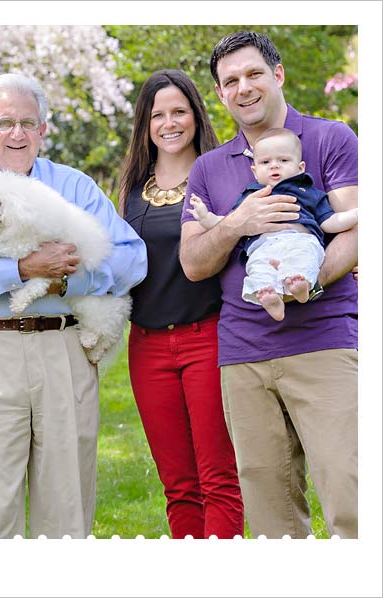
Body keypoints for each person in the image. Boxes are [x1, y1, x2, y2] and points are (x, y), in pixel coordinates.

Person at [0, 73, 147, 539]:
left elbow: (132, 259)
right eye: (5, 122)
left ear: (44, 130)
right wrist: (23, 269)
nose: (18, 134)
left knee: (67, 504)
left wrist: (65, 277)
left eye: (29, 122)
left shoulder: (75, 187)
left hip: (63, 349)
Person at [179, 31, 358, 538]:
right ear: (220, 94)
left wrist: (305, 282)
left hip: (323, 343)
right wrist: (238, 222)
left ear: (277, 75)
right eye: (230, 81)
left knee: (351, 494)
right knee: (269, 514)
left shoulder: (330, 139)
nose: (244, 88)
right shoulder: (209, 167)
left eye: (254, 74)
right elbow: (193, 262)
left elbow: (358, 229)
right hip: (244, 354)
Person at [118, 70, 243, 539]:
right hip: (146, 347)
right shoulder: (131, 186)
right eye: (157, 115)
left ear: (196, 114)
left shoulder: (221, 175)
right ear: (145, 124)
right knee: (179, 485)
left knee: (219, 480)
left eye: (179, 111)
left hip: (208, 337)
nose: (169, 123)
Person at [188, 128, 358, 321]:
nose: (274, 166)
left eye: (283, 161)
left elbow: (329, 222)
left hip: (299, 240)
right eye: (265, 162)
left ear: (300, 167)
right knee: (258, 268)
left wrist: (355, 215)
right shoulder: (250, 196)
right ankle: (270, 298)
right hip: (263, 247)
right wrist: (205, 217)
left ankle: (301, 286)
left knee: (305, 255)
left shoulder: (305, 190)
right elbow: (229, 223)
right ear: (255, 170)